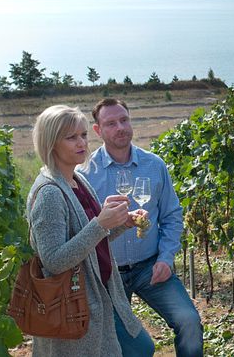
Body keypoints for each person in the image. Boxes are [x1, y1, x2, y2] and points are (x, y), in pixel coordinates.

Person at [27, 105, 154, 356]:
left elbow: (92, 240)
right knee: (139, 349)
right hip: (78, 302)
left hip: (102, 293)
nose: (81, 143)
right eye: (71, 137)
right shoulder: (50, 193)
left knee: (141, 348)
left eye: (83, 135)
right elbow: (53, 260)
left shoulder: (77, 180)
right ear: (51, 143)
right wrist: (101, 224)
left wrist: (121, 223)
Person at [80, 98, 204, 357]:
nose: (120, 128)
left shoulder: (154, 165)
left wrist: (166, 258)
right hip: (108, 274)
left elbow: (172, 216)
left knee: (189, 321)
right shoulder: (84, 173)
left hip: (150, 266)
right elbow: (84, 230)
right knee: (122, 346)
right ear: (97, 130)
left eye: (124, 120)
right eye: (111, 123)